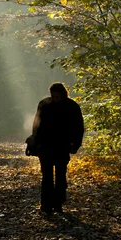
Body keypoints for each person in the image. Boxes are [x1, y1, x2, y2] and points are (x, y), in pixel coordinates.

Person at [31, 82, 84, 214]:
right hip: (45, 146)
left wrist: (75, 145)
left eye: (57, 96)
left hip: (62, 146)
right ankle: (46, 205)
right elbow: (36, 124)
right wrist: (35, 141)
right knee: (47, 176)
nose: (55, 99)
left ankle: (58, 203)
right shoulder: (44, 105)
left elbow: (79, 128)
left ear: (63, 95)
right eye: (53, 96)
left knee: (60, 175)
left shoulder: (72, 107)